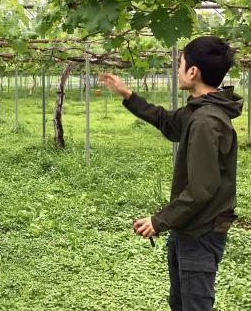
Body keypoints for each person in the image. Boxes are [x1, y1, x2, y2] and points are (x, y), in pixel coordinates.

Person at [99, 36, 243, 311]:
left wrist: (158, 221)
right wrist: (128, 95)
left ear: (193, 72)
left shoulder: (205, 122)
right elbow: (169, 122)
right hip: (188, 227)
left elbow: (202, 189)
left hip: (201, 232)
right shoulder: (199, 111)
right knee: (180, 302)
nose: (176, 70)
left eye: (179, 64)